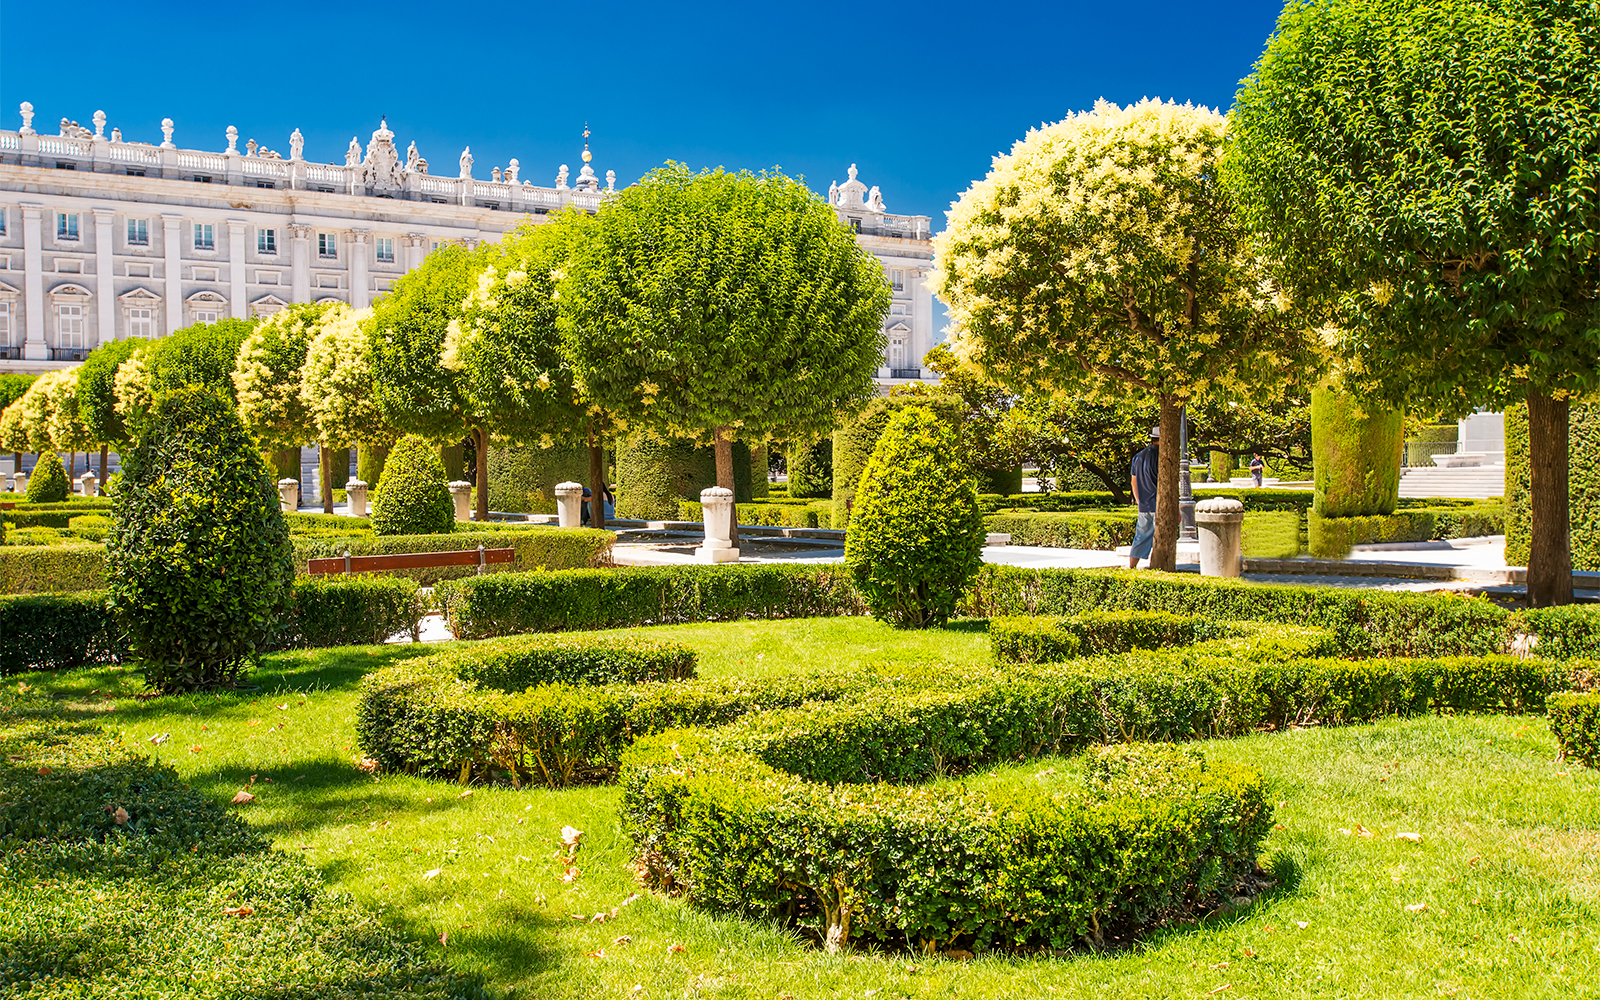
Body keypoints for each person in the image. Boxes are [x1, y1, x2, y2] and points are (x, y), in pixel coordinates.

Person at [1128, 427, 1159, 569]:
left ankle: (1132, 567)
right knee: (1160, 539)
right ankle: (1156, 566)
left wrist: (1139, 501)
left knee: (1140, 537)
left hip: (1144, 505)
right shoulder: (1162, 457)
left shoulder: (1138, 457)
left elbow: (1133, 483)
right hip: (1158, 505)